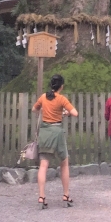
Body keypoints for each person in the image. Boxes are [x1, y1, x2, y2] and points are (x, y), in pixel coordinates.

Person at [32, 73, 79, 208]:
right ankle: (65, 195)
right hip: (57, 132)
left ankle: (41, 196)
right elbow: (75, 113)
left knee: (43, 165)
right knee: (64, 163)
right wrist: (65, 112)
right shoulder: (61, 99)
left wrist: (45, 111)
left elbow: (34, 109)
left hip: (45, 132)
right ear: (61, 86)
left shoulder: (43, 97)